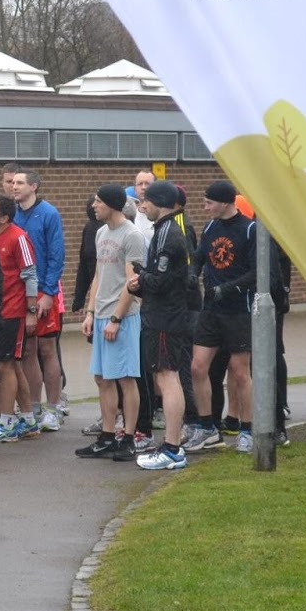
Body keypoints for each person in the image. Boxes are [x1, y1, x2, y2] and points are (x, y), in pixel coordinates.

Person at [75, 185, 148, 461]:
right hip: (102, 313)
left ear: (113, 205)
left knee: (126, 378)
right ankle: (106, 436)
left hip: (123, 317)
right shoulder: (101, 232)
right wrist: (91, 313)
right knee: (102, 377)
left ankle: (128, 438)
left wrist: (116, 318)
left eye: (98, 202)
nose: (94, 206)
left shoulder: (132, 235)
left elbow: (132, 283)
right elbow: (98, 275)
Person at [191, 180, 258, 453]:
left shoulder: (249, 229)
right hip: (211, 311)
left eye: (210, 202)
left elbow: (255, 273)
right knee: (197, 367)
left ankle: (246, 430)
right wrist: (191, 273)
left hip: (237, 311)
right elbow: (199, 257)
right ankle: (207, 427)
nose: (205, 207)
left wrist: (227, 289)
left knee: (240, 372)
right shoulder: (210, 227)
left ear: (225, 202)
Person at [132, 180, 195, 469]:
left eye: (147, 200)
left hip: (165, 318)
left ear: (160, 202)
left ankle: (172, 448)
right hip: (161, 315)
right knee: (163, 377)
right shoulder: (163, 230)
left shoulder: (169, 235)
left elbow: (162, 280)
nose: (143, 206)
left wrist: (141, 280)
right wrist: (143, 279)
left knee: (168, 378)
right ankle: (171, 444)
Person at [9, 168, 67, 431]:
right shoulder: (13, 214)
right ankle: (32, 407)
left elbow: (56, 256)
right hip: (19, 294)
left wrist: (48, 293)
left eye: (20, 183)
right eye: (12, 182)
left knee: (47, 349)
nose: (14, 187)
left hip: (43, 292)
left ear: (33, 186)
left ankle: (53, 409)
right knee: (27, 351)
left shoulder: (49, 214)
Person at [0, 194, 38, 443]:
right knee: (10, 365)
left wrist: (30, 312)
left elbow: (29, 274)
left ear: (4, 217)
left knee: (5, 365)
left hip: (12, 312)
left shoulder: (18, 237)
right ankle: (27, 419)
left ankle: (7, 421)